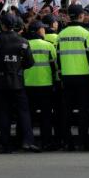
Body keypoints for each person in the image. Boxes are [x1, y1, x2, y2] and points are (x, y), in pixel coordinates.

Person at [0, 13, 39, 153]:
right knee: (24, 113)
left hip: (0, 82)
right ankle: (28, 141)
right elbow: (30, 62)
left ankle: (6, 145)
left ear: (2, 25)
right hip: (18, 82)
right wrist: (18, 67)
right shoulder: (23, 42)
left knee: (4, 113)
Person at [56, 4, 89, 150]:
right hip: (84, 77)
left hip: (67, 77)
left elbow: (58, 58)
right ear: (81, 16)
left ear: (69, 16)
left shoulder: (61, 35)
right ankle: (83, 142)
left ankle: (68, 142)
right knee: (83, 111)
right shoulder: (86, 34)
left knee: (66, 112)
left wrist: (60, 75)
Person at [24, 20, 58, 150]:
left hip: (28, 84)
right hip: (45, 84)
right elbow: (55, 66)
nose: (44, 30)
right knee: (46, 116)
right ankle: (46, 142)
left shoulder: (25, 45)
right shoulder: (48, 46)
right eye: (43, 29)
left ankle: (29, 142)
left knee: (29, 116)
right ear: (39, 31)